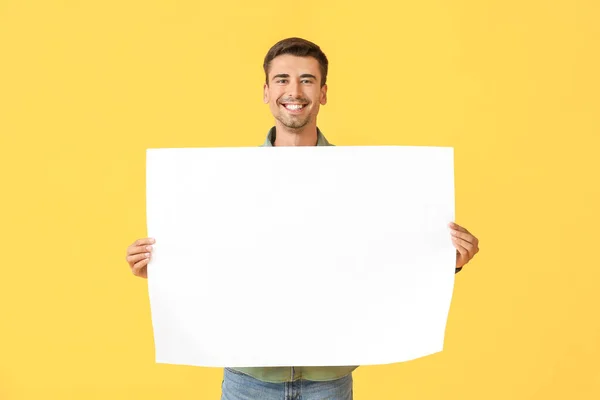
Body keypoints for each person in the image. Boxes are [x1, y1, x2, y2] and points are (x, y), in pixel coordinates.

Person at [125, 37, 480, 400]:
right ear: (265, 91)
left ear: (323, 92)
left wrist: (444, 262)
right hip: (248, 379)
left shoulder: (363, 180)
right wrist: (164, 271)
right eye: (282, 79)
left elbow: (384, 255)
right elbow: (220, 259)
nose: (294, 90)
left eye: (307, 80)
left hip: (328, 379)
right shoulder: (226, 182)